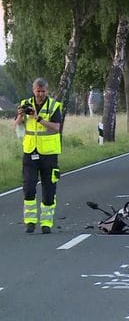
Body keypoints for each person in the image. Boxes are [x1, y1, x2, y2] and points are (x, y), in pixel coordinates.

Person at [14, 77, 63, 234]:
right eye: (37, 91)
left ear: (47, 91)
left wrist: (38, 117)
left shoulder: (54, 106)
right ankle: (30, 221)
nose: (40, 94)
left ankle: (46, 223)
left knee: (49, 191)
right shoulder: (25, 103)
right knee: (29, 187)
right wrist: (21, 115)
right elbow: (17, 127)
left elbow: (56, 127)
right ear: (33, 90)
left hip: (49, 154)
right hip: (30, 151)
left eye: (43, 91)